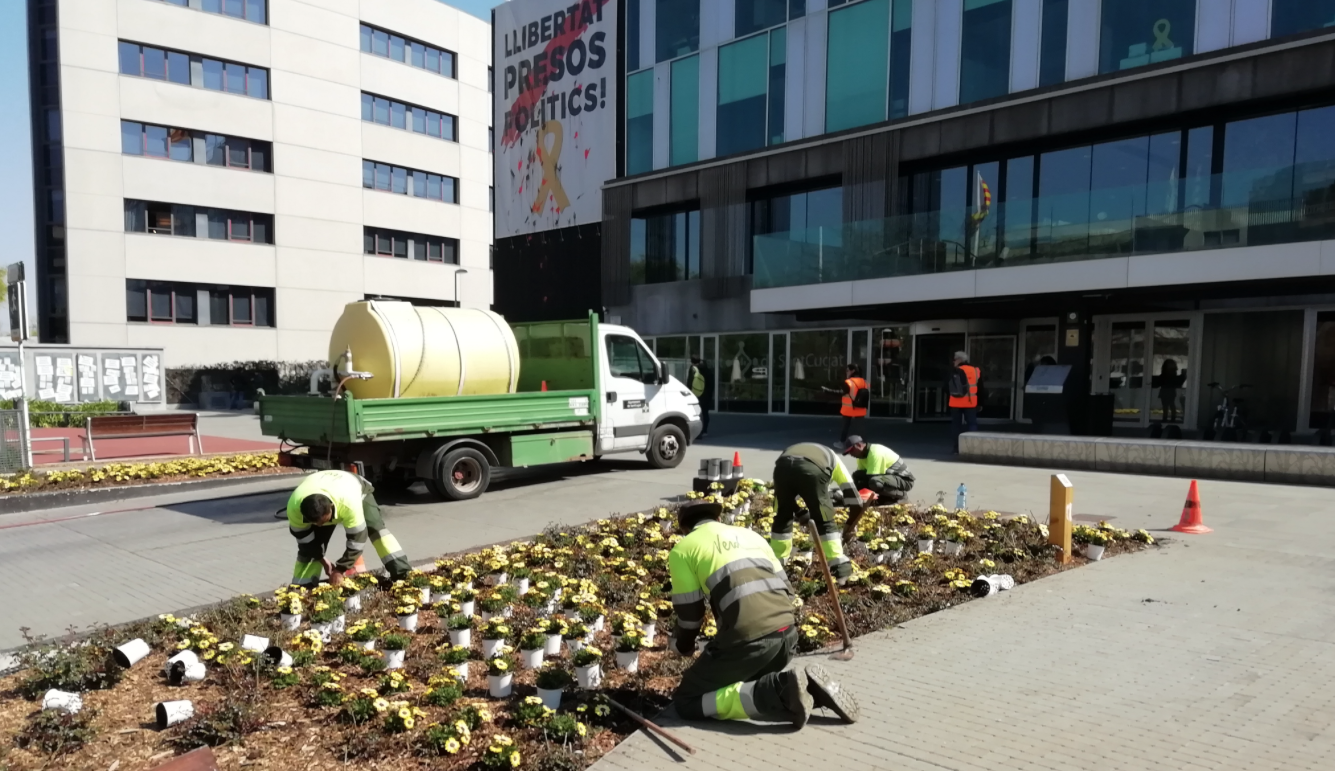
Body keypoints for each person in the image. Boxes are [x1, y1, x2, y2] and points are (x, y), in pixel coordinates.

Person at [669, 501, 859, 727]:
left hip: (749, 643)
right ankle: (807, 691)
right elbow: (787, 589)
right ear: (718, 520)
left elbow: (690, 616)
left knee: (687, 701)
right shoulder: (751, 536)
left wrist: (683, 645)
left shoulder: (683, 549)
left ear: (685, 529)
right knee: (742, 682)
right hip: (787, 637)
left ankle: (779, 690)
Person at [284, 469, 411, 587]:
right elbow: (306, 543)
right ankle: (302, 587)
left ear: (331, 508)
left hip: (355, 488)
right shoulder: (294, 508)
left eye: (323, 521)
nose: (320, 526)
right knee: (310, 549)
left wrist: (340, 569)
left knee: (377, 531)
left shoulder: (349, 503)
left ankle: (402, 574)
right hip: (321, 484)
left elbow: (357, 541)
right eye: (315, 523)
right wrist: (322, 560)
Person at [769, 443, 864, 582]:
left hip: (782, 466)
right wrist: (849, 526)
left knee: (783, 517)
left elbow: (785, 499)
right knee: (824, 518)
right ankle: (841, 571)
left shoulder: (794, 455)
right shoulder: (834, 461)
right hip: (812, 469)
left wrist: (800, 512)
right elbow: (856, 502)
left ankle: (776, 567)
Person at [842, 435, 915, 504]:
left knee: (875, 482)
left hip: (905, 480)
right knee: (857, 475)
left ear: (859, 445)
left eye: (851, 451)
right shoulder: (862, 456)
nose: (850, 454)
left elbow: (872, 478)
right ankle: (884, 498)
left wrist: (862, 495)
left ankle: (902, 496)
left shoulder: (875, 452)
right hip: (888, 478)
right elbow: (860, 478)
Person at [821, 364, 868, 443]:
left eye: (847, 370)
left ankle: (841, 442)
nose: (846, 372)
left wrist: (826, 390)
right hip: (860, 407)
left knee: (845, 427)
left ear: (852, 371)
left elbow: (840, 392)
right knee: (861, 429)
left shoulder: (849, 382)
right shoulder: (863, 381)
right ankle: (865, 445)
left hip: (849, 408)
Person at [948, 351, 982, 453]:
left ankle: (956, 448)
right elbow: (981, 388)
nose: (954, 361)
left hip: (955, 402)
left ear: (959, 360)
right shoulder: (975, 371)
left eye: (955, 359)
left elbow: (947, 386)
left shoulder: (954, 371)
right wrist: (981, 402)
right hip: (970, 402)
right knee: (972, 424)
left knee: (956, 425)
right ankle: (972, 447)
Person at [688, 356, 712, 436]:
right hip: (706, 395)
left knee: (696, 413)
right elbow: (711, 385)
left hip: (696, 394)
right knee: (705, 413)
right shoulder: (708, 371)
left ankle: (697, 432)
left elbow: (690, 382)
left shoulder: (694, 370)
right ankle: (705, 430)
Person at [1158, 359, 1181, 424]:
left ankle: (1165, 418)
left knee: (1166, 405)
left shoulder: (1166, 372)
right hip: (1169, 390)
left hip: (1166, 389)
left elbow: (1162, 379)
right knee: (1171, 405)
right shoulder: (1173, 372)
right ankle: (1172, 418)